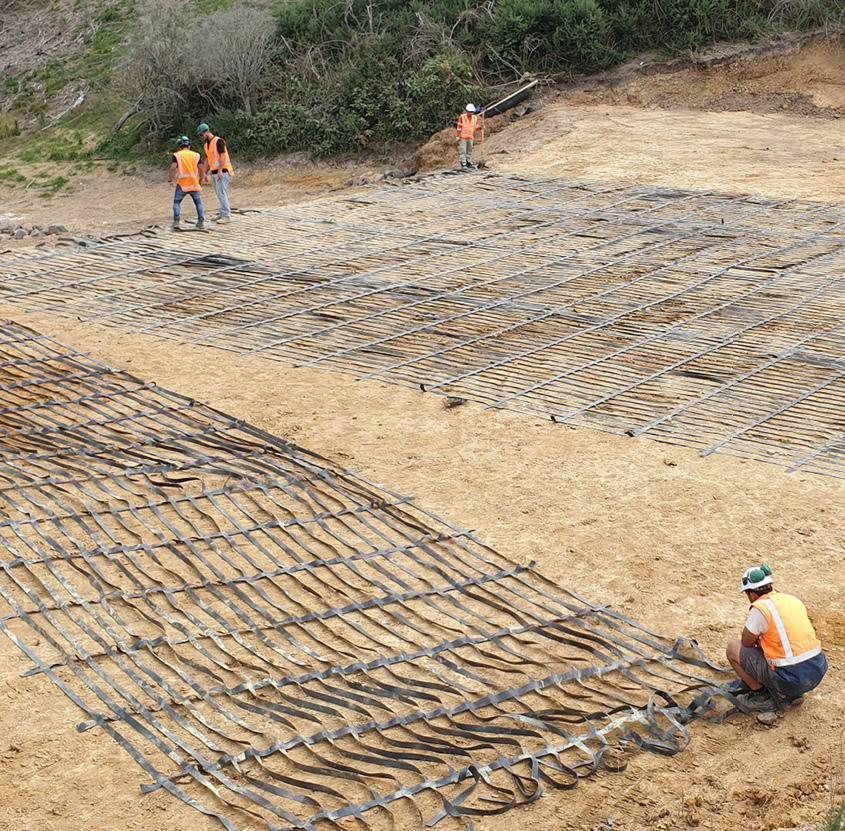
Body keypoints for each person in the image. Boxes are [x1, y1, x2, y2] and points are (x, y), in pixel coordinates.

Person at [725, 564, 827, 720]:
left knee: (733, 648)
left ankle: (762, 697)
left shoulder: (761, 608)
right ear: (771, 585)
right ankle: (793, 694)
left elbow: (746, 642)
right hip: (817, 670)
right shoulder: (792, 599)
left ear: (751, 594)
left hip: (791, 679)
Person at [196, 122, 234, 223]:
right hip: (214, 172)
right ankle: (222, 213)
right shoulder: (206, 145)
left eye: (202, 134)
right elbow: (208, 160)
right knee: (219, 193)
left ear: (207, 132)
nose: (201, 137)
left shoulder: (218, 141)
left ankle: (226, 216)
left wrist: (221, 170)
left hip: (222, 171)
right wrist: (204, 173)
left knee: (221, 193)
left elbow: (223, 156)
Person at [168, 136, 204, 231]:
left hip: (182, 184)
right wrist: (201, 180)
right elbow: (201, 169)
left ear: (180, 146)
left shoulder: (177, 155)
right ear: (189, 146)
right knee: (198, 203)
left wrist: (170, 179)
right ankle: (201, 222)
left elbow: (173, 168)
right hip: (194, 182)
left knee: (177, 202)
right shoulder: (196, 155)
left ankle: (176, 222)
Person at [456, 104, 481, 170]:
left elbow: (475, 127)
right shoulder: (462, 117)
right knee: (463, 150)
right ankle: (463, 163)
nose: (470, 113)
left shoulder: (475, 118)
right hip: (463, 137)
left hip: (470, 137)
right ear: (466, 111)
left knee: (469, 150)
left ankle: (468, 162)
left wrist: (480, 128)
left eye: (472, 112)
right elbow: (459, 127)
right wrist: (458, 135)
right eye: (469, 112)